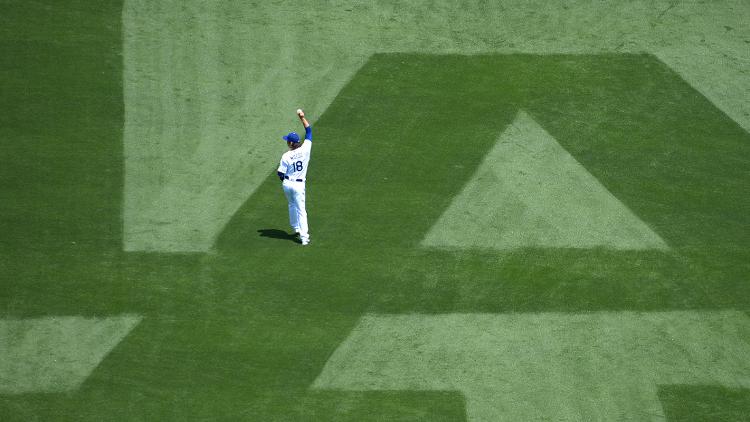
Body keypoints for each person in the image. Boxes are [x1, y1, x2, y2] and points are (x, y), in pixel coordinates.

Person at [277, 109, 312, 245]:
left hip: (287, 184)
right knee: (301, 210)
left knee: (291, 204)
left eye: (287, 141)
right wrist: (302, 117)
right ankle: (304, 238)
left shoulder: (286, 156)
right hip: (299, 185)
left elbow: (280, 173)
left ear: (291, 143)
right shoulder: (306, 149)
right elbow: (309, 132)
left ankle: (296, 227)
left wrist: (286, 181)